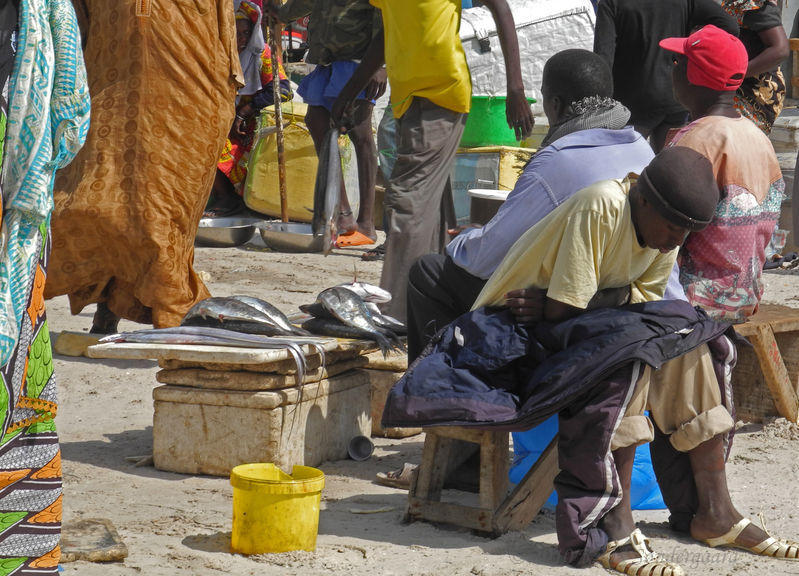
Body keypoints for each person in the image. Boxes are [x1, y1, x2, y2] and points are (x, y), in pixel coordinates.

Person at [406, 49, 655, 361]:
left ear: (555, 104)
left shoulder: (559, 160)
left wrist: (466, 240)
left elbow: (485, 258)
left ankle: (434, 383)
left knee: (428, 273)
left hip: (559, 303)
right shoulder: (642, 148)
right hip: (616, 292)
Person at [44, 0, 242, 332]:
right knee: (92, 204)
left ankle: (166, 312)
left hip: (186, 85)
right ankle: (109, 305)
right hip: (109, 82)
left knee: (159, 215)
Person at [331, 0, 534, 322]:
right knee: (432, 210)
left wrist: (516, 88)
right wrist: (350, 91)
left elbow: (501, 9)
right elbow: (388, 32)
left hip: (443, 95)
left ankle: (394, 314)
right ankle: (436, 305)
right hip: (408, 100)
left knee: (406, 203)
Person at [0, 0, 90, 570]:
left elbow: (68, 120)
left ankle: (23, 557)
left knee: (23, 409)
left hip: (17, 242)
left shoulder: (44, 11)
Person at [663, 24, 784, 323]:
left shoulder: (695, 141)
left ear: (694, 75)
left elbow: (664, 234)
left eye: (679, 61)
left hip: (693, 299)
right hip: (745, 296)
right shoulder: (758, 137)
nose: (673, 68)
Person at [267, 0, 385, 246]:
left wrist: (380, 66)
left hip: (359, 62)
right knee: (316, 120)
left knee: (360, 133)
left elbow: (384, 17)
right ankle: (343, 213)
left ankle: (367, 222)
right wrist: (280, 14)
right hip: (327, 59)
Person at [593, 0, 738, 151]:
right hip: (677, 96)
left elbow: (603, 59)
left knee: (626, 168)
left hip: (632, 106)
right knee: (667, 165)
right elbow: (730, 26)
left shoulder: (611, 3)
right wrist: (695, 45)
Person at [206, 0, 292, 217]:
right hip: (222, 121)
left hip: (252, 124)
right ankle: (227, 197)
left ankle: (237, 199)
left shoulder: (261, 54)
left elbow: (282, 90)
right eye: (237, 33)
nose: (242, 39)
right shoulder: (216, 55)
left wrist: (244, 112)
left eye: (246, 32)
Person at [720, 0, 789, 134]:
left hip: (753, 91)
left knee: (738, 143)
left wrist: (736, 74)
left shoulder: (752, 5)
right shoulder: (734, 3)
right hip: (737, 85)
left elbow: (780, 49)